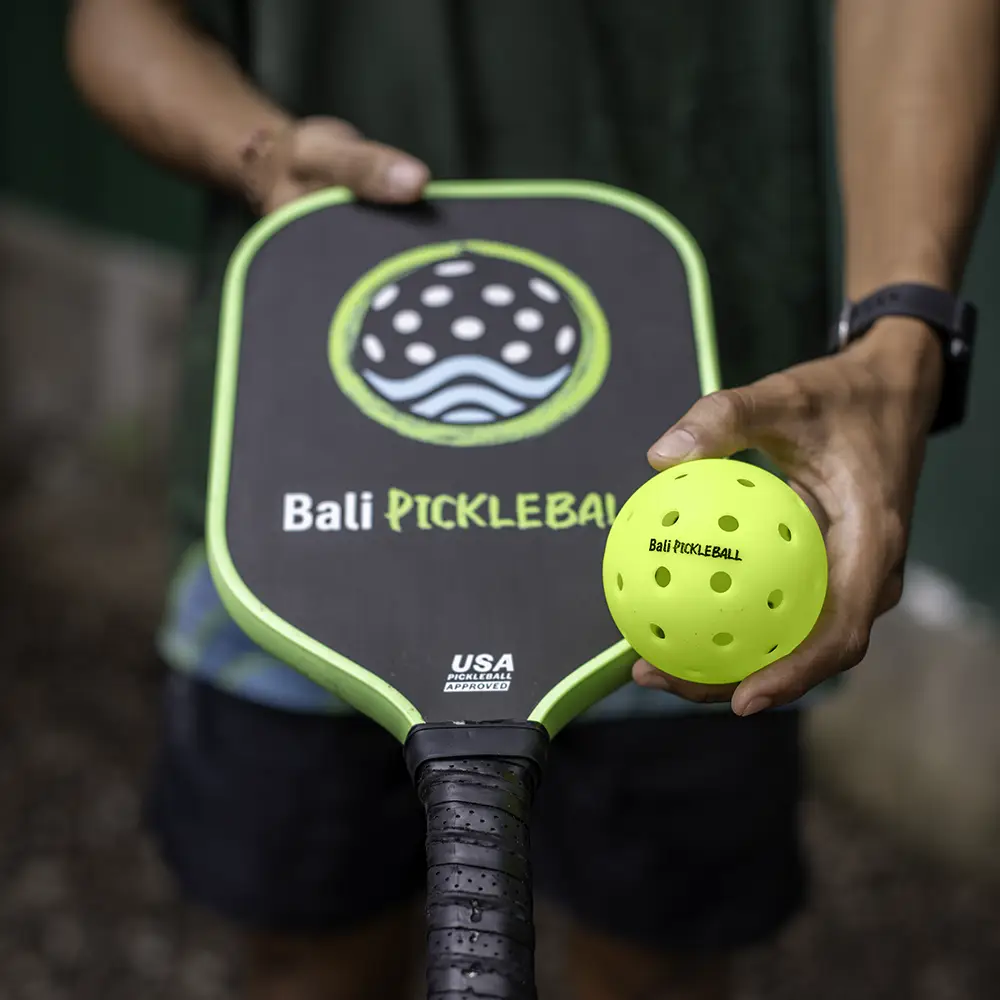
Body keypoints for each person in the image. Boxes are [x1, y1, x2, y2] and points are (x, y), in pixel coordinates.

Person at [67, 1, 998, 997]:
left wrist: (901, 337)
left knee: (656, 961)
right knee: (308, 957)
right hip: (302, 514)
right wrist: (260, 150)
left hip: (698, 526)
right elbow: (120, 21)